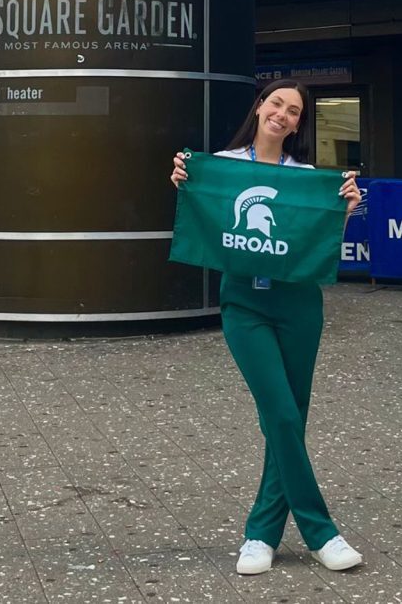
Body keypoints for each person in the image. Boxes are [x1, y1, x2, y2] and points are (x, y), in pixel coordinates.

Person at [170, 79, 363, 575]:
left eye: (294, 110)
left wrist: (344, 209)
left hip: (299, 306)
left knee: (290, 419)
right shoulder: (223, 166)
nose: (283, 113)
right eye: (276, 102)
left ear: (299, 123)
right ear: (259, 107)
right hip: (245, 306)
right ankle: (321, 532)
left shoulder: (306, 177)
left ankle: (261, 534)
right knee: (279, 412)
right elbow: (204, 216)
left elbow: (320, 244)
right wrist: (185, 180)